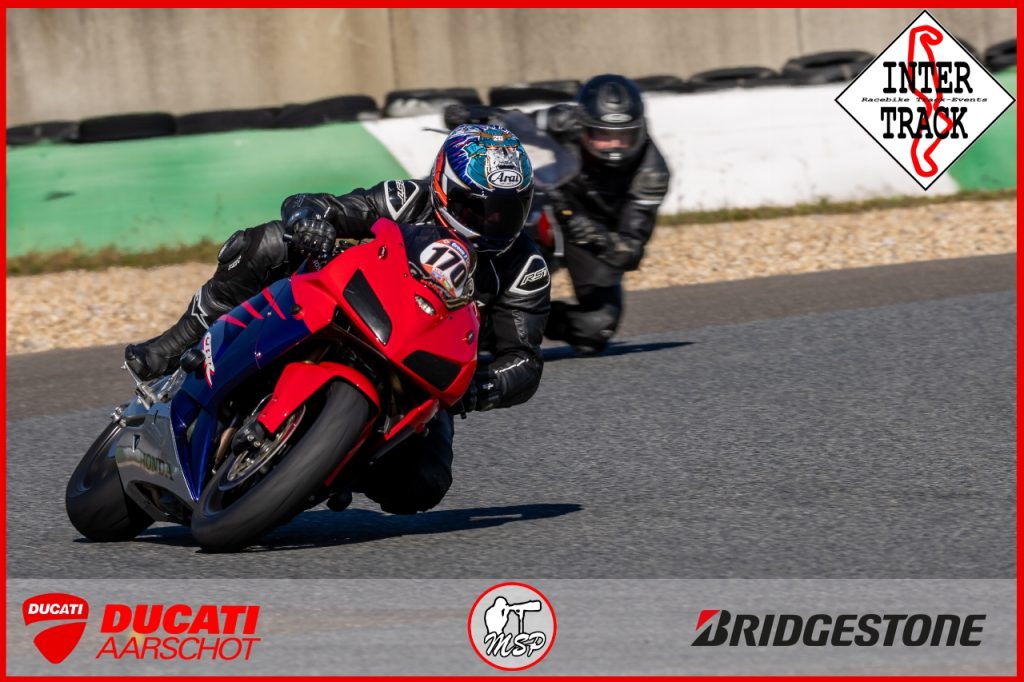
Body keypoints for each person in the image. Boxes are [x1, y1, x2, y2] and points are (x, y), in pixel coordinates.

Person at [124, 123, 550, 515]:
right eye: (477, 209)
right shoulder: (407, 198)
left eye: (506, 212)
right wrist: (310, 222)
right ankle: (179, 342)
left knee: (423, 486)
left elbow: (524, 361)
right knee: (269, 243)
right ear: (443, 188)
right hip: (351, 307)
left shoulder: (525, 267)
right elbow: (320, 205)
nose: (491, 223)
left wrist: (482, 387)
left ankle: (328, 462)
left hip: (419, 372)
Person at [447, 74, 671, 355]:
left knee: (596, 326)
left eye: (622, 136)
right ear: (585, 126)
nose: (613, 144)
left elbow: (631, 252)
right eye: (603, 135)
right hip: (551, 204)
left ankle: (517, 322)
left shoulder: (652, 174)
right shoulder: (567, 118)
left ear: (639, 130)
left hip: (595, 238)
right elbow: (515, 122)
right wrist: (474, 117)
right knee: (502, 212)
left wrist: (595, 235)